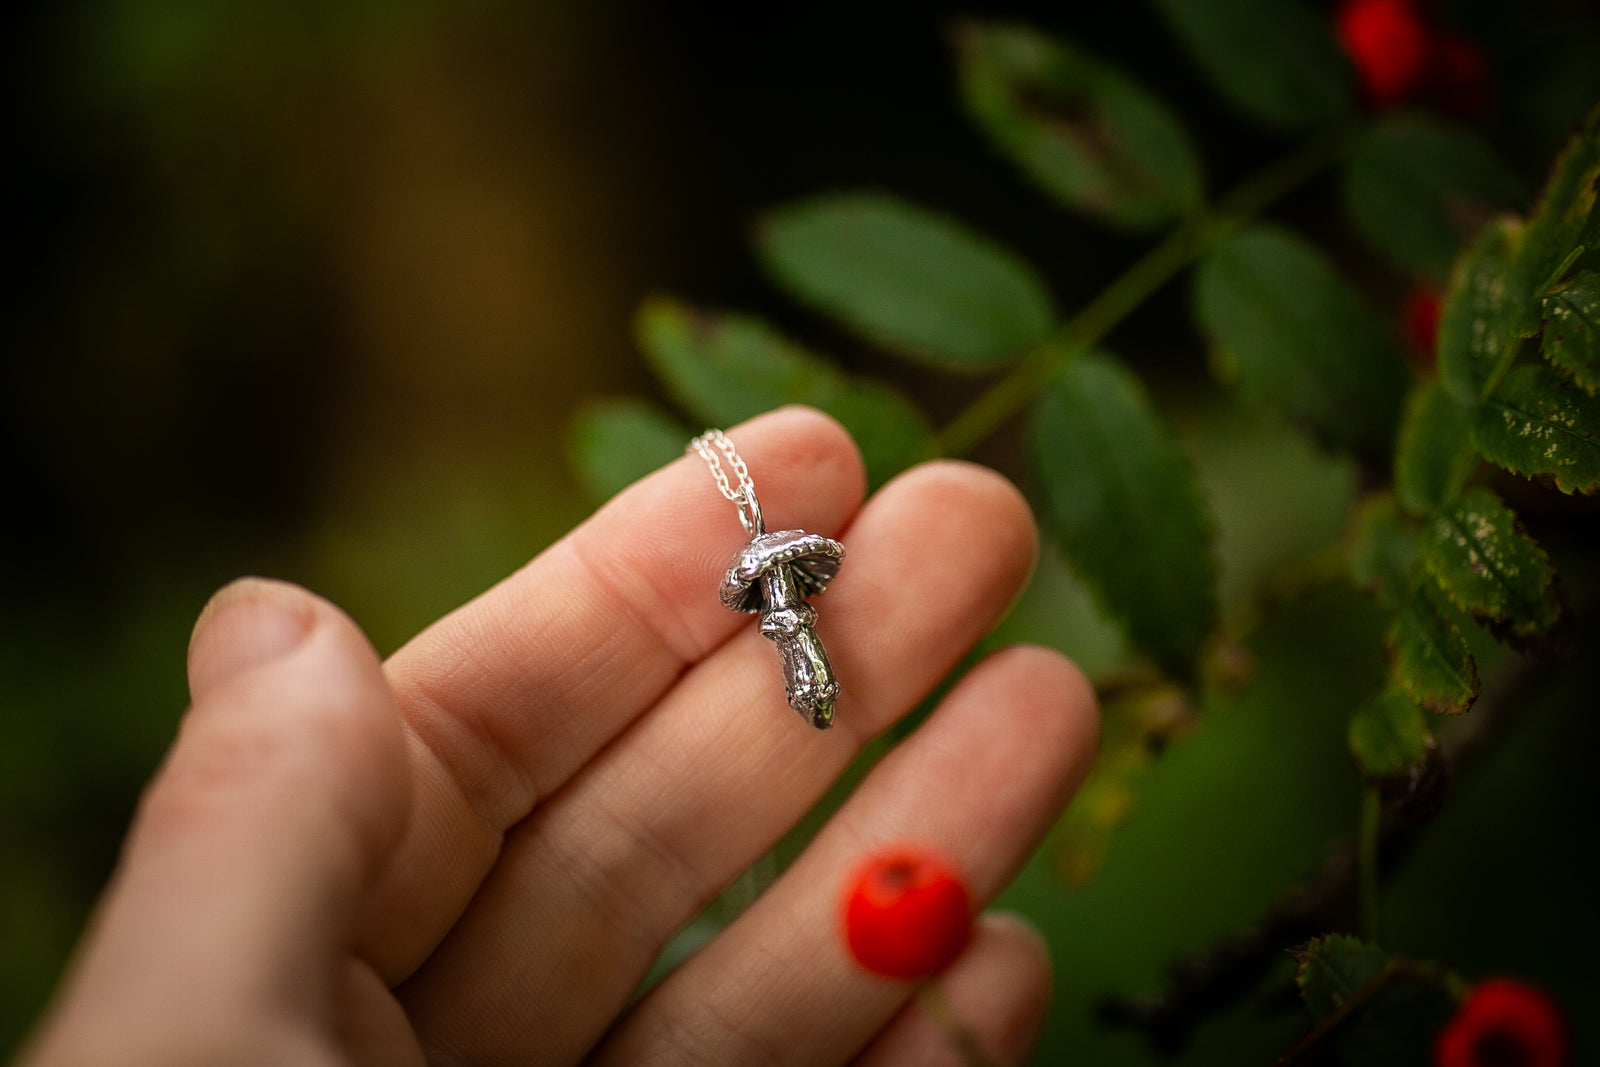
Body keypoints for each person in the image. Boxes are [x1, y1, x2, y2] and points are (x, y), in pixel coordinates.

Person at [19, 407, 1099, 1066]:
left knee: (817, 664)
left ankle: (812, 682)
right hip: (781, 615)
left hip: (796, 624)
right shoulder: (767, 590)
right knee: (804, 665)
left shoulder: (792, 595)